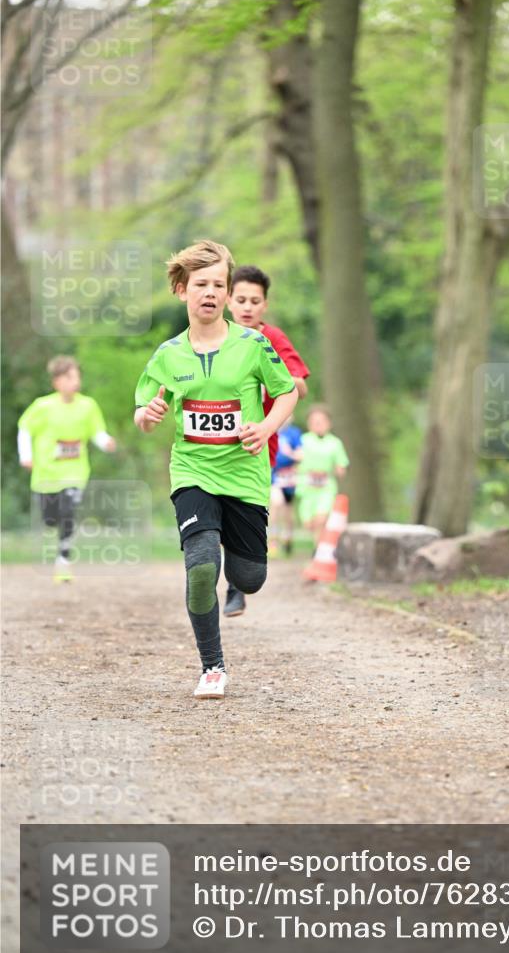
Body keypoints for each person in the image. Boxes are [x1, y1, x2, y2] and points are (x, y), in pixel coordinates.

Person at [134, 239, 298, 699]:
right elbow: (144, 410)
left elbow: (288, 392)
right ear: (182, 290)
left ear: (228, 295)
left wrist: (265, 427)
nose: (210, 292)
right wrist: (146, 417)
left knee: (249, 579)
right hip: (193, 469)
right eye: (200, 284)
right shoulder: (168, 354)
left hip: (244, 473)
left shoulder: (253, 345)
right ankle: (212, 666)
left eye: (218, 285)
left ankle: (234, 547)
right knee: (202, 566)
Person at [225, 265, 310, 613]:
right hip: (216, 439)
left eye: (254, 301)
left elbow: (301, 386)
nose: (247, 307)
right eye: (240, 299)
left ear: (265, 304)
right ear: (228, 300)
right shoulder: (216, 335)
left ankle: (237, 583)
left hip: (261, 443)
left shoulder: (273, 338)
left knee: (244, 514)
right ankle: (226, 581)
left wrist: (271, 381)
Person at [17, 355, 116, 582]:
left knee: (68, 511)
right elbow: (24, 428)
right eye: (70, 376)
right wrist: (26, 456)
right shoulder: (42, 406)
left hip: (75, 472)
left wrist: (106, 442)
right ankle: (57, 540)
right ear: (57, 382)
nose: (75, 381)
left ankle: (63, 559)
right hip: (46, 474)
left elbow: (96, 432)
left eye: (77, 376)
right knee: (51, 519)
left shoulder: (88, 405)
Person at [296, 404, 349, 545]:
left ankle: (317, 553)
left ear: (329, 423)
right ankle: (318, 549)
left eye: (321, 421)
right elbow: (293, 461)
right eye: (314, 421)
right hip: (307, 488)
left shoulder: (335, 443)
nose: (318, 424)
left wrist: (340, 469)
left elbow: (341, 465)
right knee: (309, 523)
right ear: (309, 424)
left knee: (321, 519)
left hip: (326, 488)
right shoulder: (303, 440)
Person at [271, 419, 303, 556]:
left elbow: (301, 455)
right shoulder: (270, 427)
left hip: (289, 476)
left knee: (288, 512)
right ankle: (272, 542)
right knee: (277, 503)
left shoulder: (294, 433)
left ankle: (288, 539)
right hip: (273, 474)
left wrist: (289, 452)